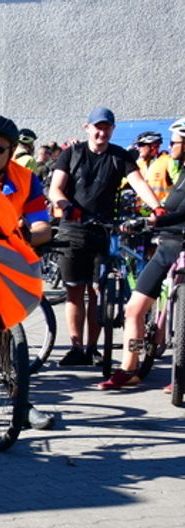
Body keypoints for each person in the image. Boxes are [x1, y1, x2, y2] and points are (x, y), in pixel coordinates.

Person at [48, 107, 163, 366]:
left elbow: (139, 183)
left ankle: (92, 348)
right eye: (97, 127)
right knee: (74, 291)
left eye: (107, 127)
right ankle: (77, 347)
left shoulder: (118, 156)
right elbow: (55, 187)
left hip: (103, 230)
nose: (102, 132)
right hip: (74, 228)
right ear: (87, 128)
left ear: (112, 130)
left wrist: (156, 207)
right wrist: (65, 205)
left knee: (97, 292)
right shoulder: (71, 154)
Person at [0, 115, 55, 430]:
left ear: (11, 150)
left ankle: (19, 400)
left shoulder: (27, 180)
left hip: (3, 259)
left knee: (7, 329)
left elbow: (43, 225)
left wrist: (28, 235)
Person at [99, 117, 185, 390]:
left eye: (175, 142)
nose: (170, 146)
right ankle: (129, 368)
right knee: (134, 309)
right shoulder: (182, 172)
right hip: (167, 245)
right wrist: (144, 220)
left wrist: (154, 221)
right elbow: (170, 210)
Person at [133, 131, 174, 203]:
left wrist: (163, 204)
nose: (138, 148)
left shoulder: (168, 161)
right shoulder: (139, 163)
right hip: (140, 210)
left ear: (153, 146)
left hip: (163, 209)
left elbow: (179, 187)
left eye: (140, 145)